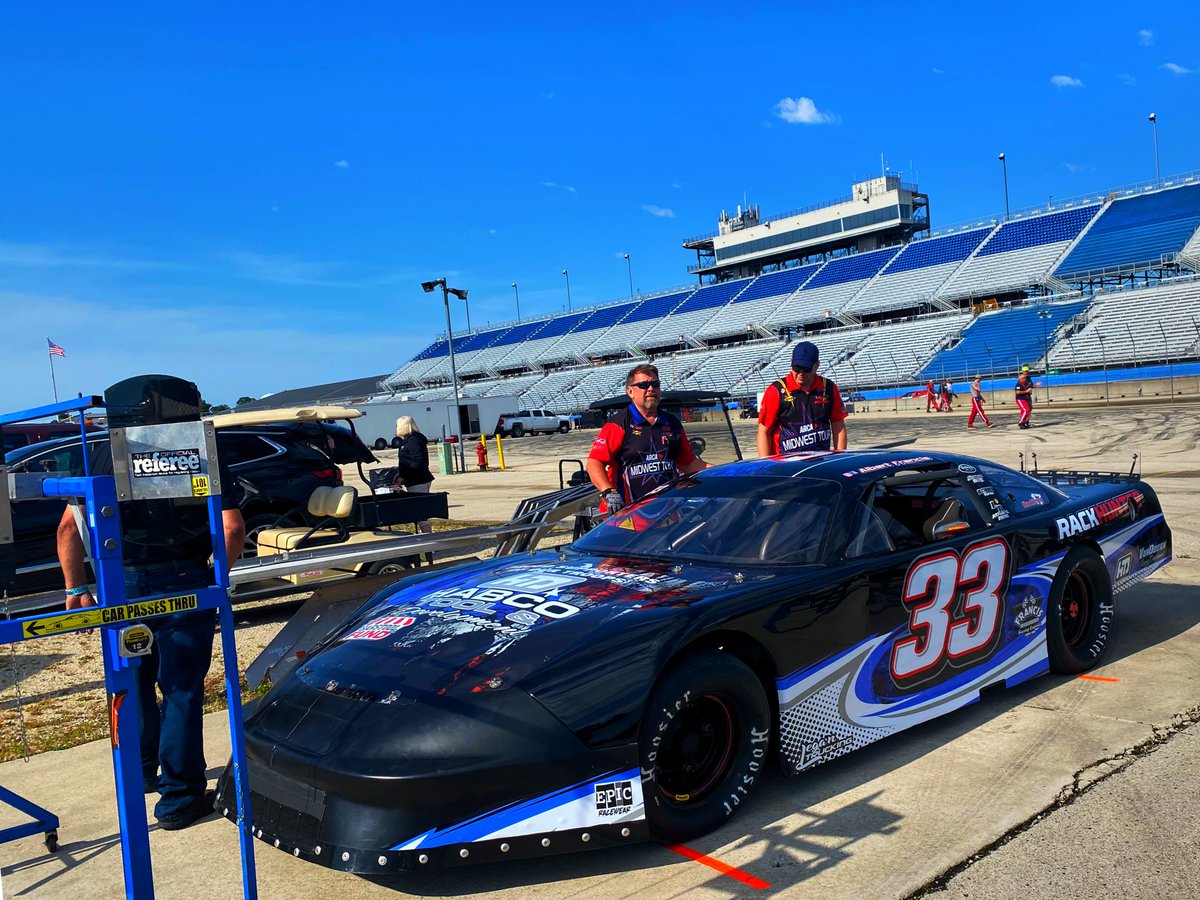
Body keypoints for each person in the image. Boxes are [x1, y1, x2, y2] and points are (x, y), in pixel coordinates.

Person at [56, 375, 245, 831]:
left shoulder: (100, 452)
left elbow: (68, 528)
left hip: (121, 585)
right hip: (183, 578)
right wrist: (216, 578)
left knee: (133, 681)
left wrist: (74, 588)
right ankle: (179, 799)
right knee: (180, 689)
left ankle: (140, 773)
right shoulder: (196, 450)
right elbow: (232, 527)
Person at [586, 364, 710, 514]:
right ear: (630, 391)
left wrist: (726, 471)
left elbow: (688, 463)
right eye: (643, 385)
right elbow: (594, 463)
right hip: (626, 516)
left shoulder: (673, 424)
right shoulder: (617, 425)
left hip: (667, 513)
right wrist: (608, 492)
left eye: (655, 384)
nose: (650, 388)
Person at [757, 341, 848, 457]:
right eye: (796, 367)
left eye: (806, 369)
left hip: (820, 462)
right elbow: (763, 431)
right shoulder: (776, 391)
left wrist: (839, 458)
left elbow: (838, 426)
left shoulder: (828, 388)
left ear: (816, 366)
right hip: (786, 466)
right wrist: (767, 465)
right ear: (791, 362)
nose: (800, 373)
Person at [395, 416, 435, 535]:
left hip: (418, 480)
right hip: (416, 479)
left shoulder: (413, 440)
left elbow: (418, 462)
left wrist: (404, 475)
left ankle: (429, 540)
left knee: (421, 512)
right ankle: (427, 538)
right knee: (421, 511)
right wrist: (400, 473)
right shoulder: (410, 440)